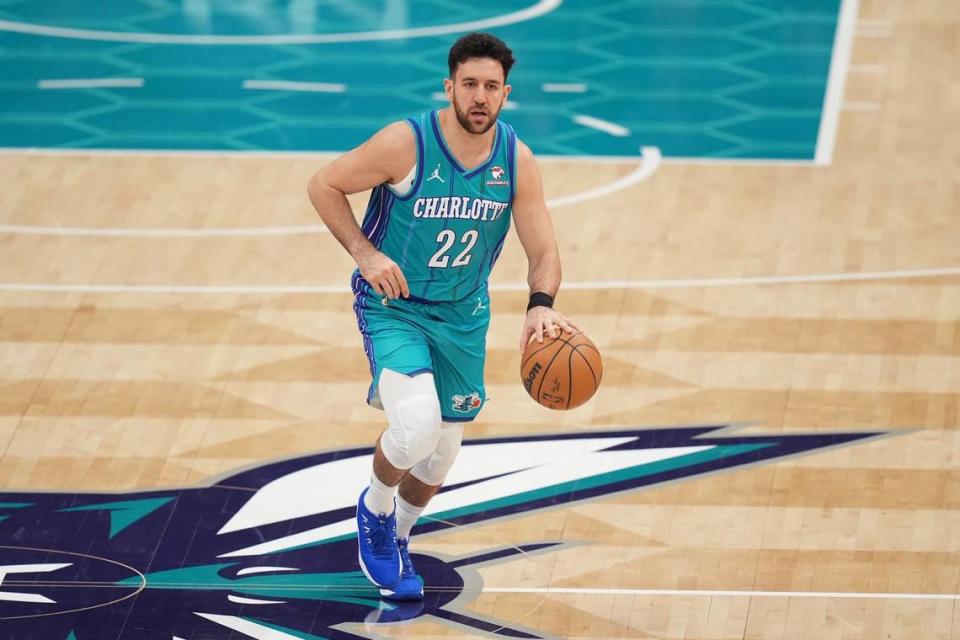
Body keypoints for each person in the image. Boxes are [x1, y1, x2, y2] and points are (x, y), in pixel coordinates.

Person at [307, 32, 576, 601]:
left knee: (442, 450)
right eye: (470, 85)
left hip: (463, 315)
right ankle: (374, 514)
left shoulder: (516, 159)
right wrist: (367, 253)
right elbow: (324, 183)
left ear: (507, 94)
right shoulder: (405, 143)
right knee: (415, 425)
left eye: (492, 88)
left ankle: (399, 536)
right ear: (449, 86)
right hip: (395, 308)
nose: (481, 97)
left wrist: (540, 308)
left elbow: (545, 251)